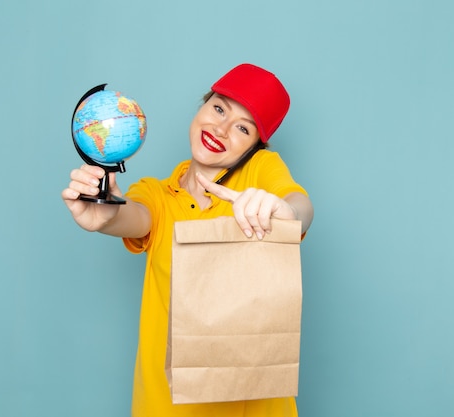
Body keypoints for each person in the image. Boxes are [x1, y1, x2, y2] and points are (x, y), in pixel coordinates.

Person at [62, 63, 314, 416]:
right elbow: (133, 216)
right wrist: (106, 215)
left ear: (255, 146)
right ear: (202, 105)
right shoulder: (156, 193)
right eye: (218, 108)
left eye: (243, 128)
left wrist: (283, 211)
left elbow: (299, 204)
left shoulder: (261, 171)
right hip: (166, 406)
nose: (221, 128)